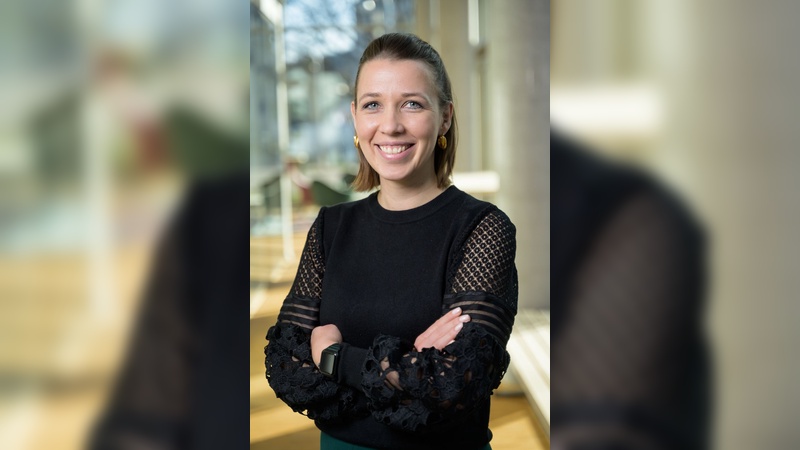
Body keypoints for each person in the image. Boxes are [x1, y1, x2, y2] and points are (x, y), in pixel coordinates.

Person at [264, 33, 518, 450]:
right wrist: (410, 362)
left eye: (412, 104)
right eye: (372, 105)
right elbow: (286, 367)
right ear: (355, 117)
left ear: (445, 117)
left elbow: (456, 382)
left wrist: (334, 358)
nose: (391, 125)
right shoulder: (330, 227)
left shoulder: (482, 227)